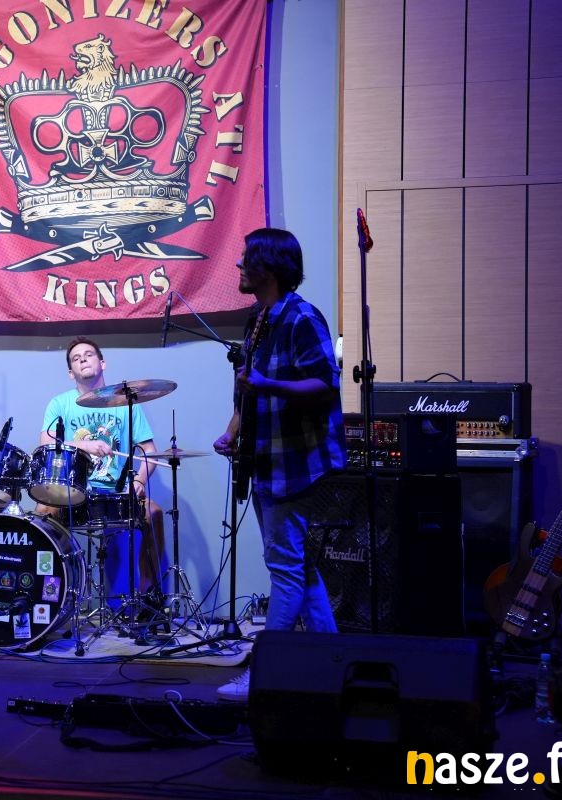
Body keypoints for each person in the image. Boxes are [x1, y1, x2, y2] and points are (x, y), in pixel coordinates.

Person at [212, 227, 346, 701]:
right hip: (267, 461)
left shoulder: (301, 317)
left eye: (247, 258)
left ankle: (264, 673)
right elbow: (247, 391)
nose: (239, 265)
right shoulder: (259, 318)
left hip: (297, 465)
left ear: (269, 266)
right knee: (299, 567)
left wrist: (269, 385)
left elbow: (325, 384)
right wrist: (232, 433)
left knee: (285, 569)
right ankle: (333, 664)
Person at [37, 337, 167, 602]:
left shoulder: (127, 404)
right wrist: (83, 445)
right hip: (74, 491)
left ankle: (147, 596)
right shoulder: (60, 404)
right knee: (42, 513)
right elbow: (45, 443)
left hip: (116, 493)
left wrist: (139, 481)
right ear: (71, 372)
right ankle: (51, 597)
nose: (83, 359)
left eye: (89, 354)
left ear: (103, 363)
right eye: (76, 358)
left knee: (154, 513)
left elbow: (150, 451)